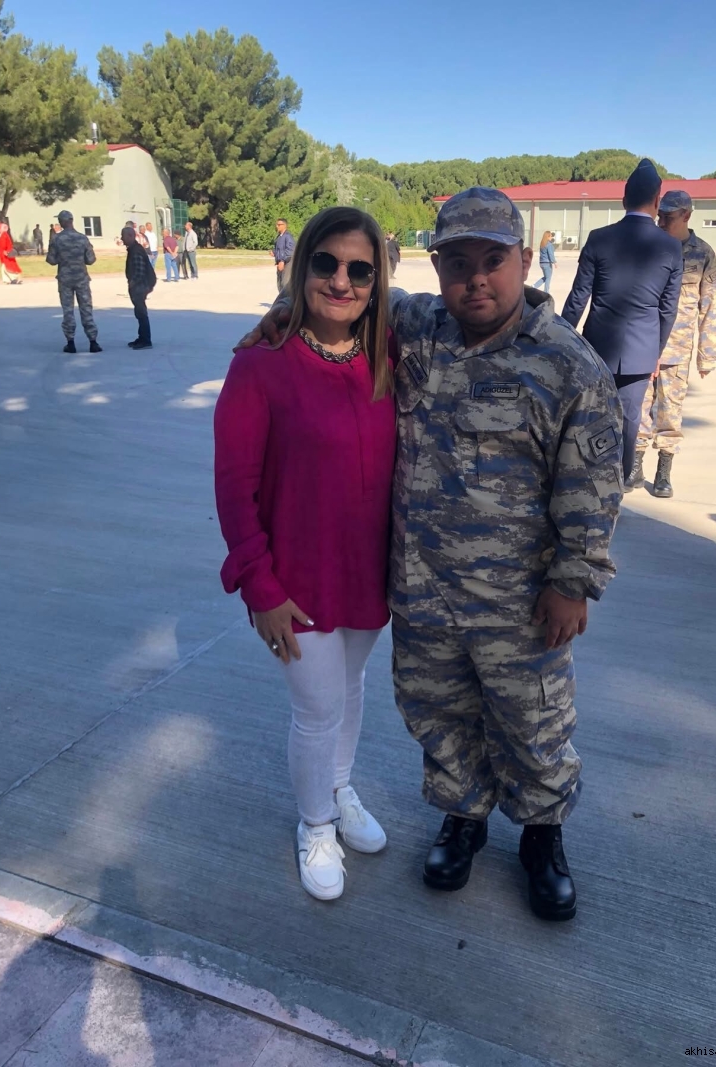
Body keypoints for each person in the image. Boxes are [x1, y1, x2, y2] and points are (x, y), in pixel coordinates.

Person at [236, 188, 624, 922]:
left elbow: (594, 485)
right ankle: (462, 820)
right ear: (436, 267)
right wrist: (284, 312)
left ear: (524, 260)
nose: (476, 279)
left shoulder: (567, 365)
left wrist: (575, 582)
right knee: (439, 716)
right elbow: (340, 298)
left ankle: (542, 837)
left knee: (533, 723)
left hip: (519, 601)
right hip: (422, 591)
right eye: (458, 263)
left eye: (492, 261)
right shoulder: (416, 328)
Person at [215, 207, 395, 902]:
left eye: (360, 270)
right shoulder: (259, 366)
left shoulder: (390, 354)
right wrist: (258, 586)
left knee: (350, 690)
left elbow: (468, 305)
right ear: (301, 266)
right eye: (326, 264)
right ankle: (315, 823)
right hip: (295, 578)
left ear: (377, 282)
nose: (342, 282)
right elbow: (234, 486)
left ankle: (339, 788)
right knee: (316, 708)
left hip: (367, 572)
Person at [562, 159, 683, 481]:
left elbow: (578, 298)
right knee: (630, 421)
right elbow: (668, 309)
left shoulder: (599, 238)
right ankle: (619, 481)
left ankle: (586, 480)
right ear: (657, 200)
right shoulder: (671, 247)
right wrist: (655, 353)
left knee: (591, 417)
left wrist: (559, 339)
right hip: (642, 352)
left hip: (597, 348)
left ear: (623, 200)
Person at [631, 191, 716, 497]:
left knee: (670, 410)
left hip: (677, 348)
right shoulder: (650, 245)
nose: (661, 222)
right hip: (644, 343)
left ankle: (664, 470)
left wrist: (707, 355)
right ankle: (635, 464)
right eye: (660, 216)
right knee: (639, 407)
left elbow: (710, 305)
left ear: (686, 216)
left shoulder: (702, 254)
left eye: (668, 217)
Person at [45, 209, 101, 354]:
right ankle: (93, 342)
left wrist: (62, 257)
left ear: (61, 222)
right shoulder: (83, 238)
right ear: (72, 220)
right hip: (81, 279)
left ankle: (70, 343)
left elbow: (51, 260)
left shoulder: (56, 239)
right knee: (86, 309)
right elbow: (91, 260)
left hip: (65, 280)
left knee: (68, 311)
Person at [121, 226, 156, 349]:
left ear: (131, 236)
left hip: (141, 285)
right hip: (141, 284)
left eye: (123, 236)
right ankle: (142, 337)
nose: (122, 239)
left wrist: (132, 283)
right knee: (139, 312)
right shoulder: (133, 249)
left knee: (141, 312)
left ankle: (146, 340)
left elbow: (140, 271)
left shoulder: (136, 251)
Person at [273, 218, 295, 292]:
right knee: (279, 284)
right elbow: (279, 249)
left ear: (284, 225)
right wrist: (274, 253)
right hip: (279, 264)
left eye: (279, 225)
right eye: (277, 225)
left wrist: (282, 261)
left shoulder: (288, 236)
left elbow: (290, 250)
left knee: (285, 284)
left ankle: (287, 299)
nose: (277, 226)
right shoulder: (279, 236)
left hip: (286, 264)